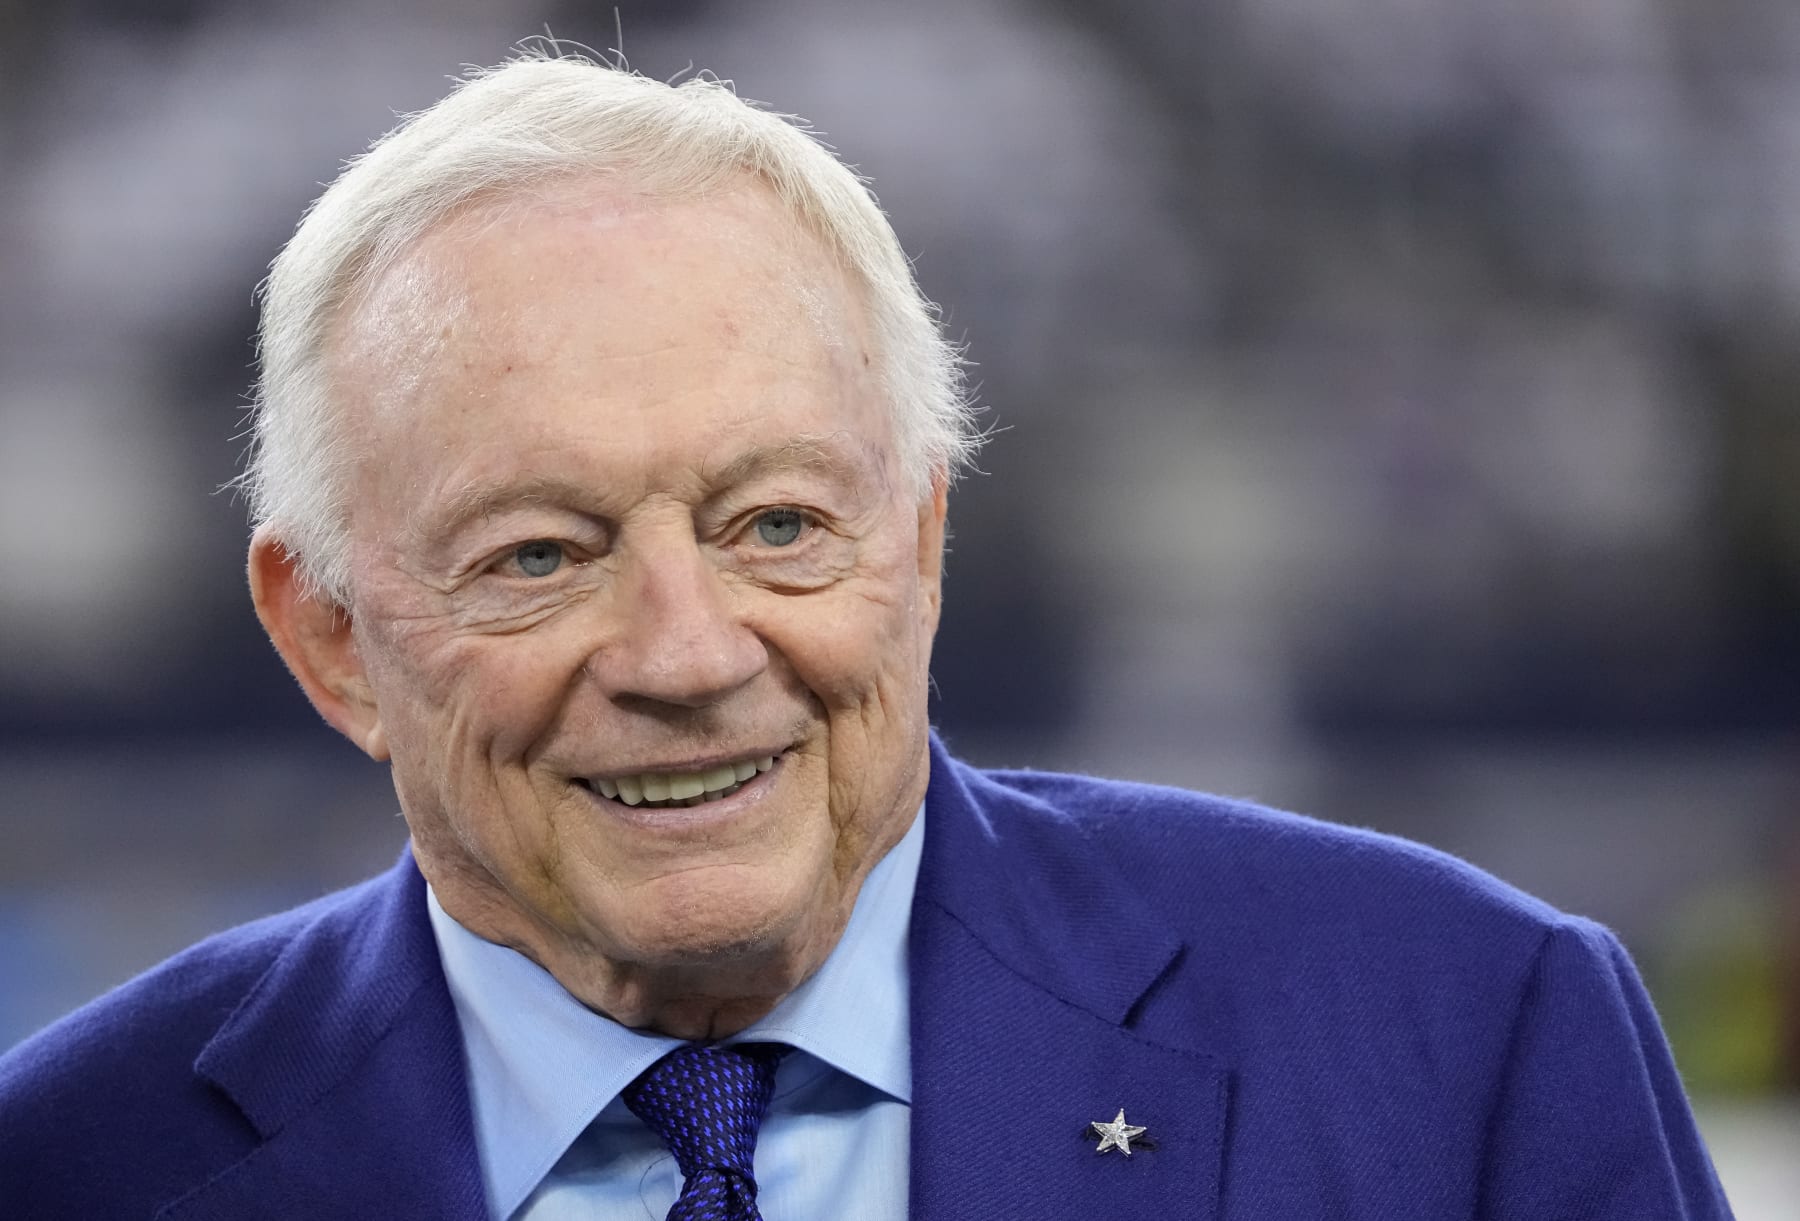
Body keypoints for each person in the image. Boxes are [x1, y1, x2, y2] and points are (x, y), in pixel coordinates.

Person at [0, 53, 1733, 1221]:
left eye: (777, 526)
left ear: (919, 546)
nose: (686, 651)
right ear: (330, 642)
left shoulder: (1462, 1040)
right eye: (540, 552)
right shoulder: (74, 1162)